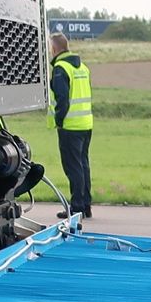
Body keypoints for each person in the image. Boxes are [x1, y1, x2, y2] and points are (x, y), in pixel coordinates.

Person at [48, 32, 94, 221]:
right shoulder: (82, 67)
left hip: (70, 126)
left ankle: (76, 208)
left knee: (73, 167)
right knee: (83, 165)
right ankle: (86, 205)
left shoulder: (61, 68)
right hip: (86, 123)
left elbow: (62, 100)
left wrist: (59, 120)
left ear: (54, 48)